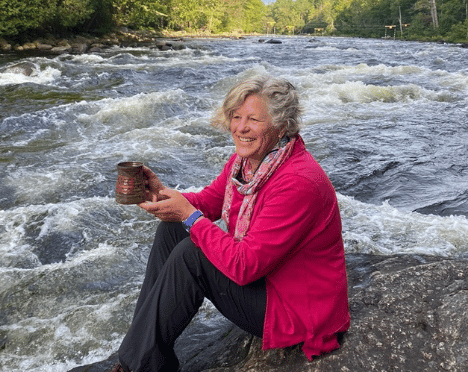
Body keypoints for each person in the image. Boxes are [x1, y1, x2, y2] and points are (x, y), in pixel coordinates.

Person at [109, 75, 349, 372]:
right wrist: (161, 194)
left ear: (282, 126)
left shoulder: (298, 181)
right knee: (172, 229)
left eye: (253, 120)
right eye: (236, 117)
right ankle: (144, 351)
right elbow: (209, 202)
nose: (240, 128)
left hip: (294, 310)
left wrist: (189, 216)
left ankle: (138, 363)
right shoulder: (248, 163)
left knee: (191, 255)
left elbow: (244, 265)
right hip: (269, 279)